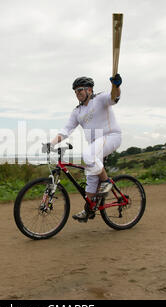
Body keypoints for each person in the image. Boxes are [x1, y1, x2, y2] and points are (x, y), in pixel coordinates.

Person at [42, 74, 123, 222]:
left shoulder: (100, 99)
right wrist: (51, 143)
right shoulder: (77, 112)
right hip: (95, 145)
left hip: (111, 136)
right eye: (75, 92)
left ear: (89, 90)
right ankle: (89, 210)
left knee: (88, 155)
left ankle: (106, 183)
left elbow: (114, 98)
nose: (77, 94)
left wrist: (116, 86)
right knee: (91, 178)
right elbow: (66, 130)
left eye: (80, 90)